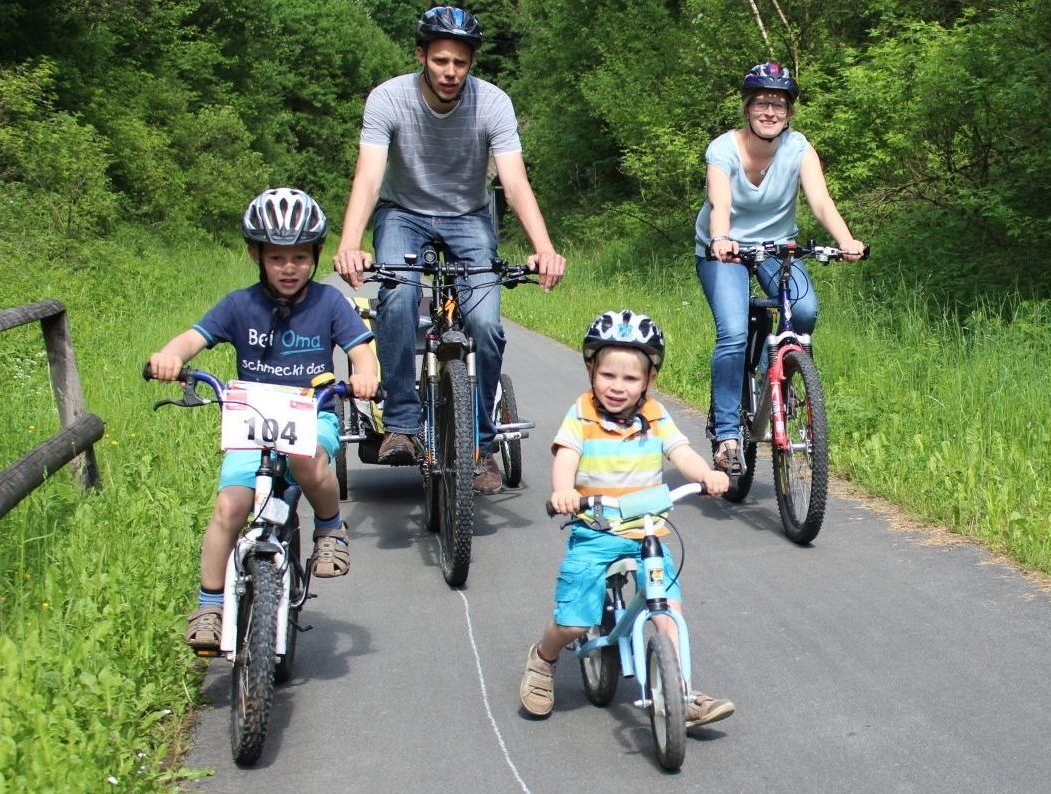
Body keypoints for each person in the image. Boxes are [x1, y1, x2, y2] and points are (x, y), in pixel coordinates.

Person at [333, 5, 566, 494]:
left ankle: (479, 447)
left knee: (484, 321)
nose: (450, 72)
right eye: (440, 61)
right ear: (421, 55)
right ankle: (401, 423)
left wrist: (544, 248)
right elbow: (370, 176)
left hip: (468, 217)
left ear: (471, 63)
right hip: (402, 212)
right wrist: (350, 243)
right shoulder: (388, 100)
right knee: (397, 297)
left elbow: (514, 182)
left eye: (460, 63)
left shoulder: (493, 105)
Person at [147, 188, 379, 653]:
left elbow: (361, 351)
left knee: (309, 463)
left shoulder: (330, 304)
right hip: (251, 421)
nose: (289, 267)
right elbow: (192, 339)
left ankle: (331, 529)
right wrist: (169, 357)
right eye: (276, 258)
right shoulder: (238, 305)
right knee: (229, 508)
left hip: (310, 414)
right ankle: (210, 605)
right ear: (256, 255)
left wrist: (365, 375)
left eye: (299, 256)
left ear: (315, 255)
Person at [519, 310, 735, 729]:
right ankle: (543, 659)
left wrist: (706, 474)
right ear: (591, 371)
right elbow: (567, 455)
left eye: (631, 379)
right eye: (608, 376)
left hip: (647, 529)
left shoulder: (654, 413)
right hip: (596, 529)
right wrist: (563, 491)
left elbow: (680, 452)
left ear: (649, 380)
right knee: (574, 620)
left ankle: (684, 695)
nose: (618, 387)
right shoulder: (582, 413)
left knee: (668, 609)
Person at [696, 62, 866, 474]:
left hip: (776, 248)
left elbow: (820, 201)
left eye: (779, 104)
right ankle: (727, 435)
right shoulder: (723, 149)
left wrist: (845, 240)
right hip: (725, 250)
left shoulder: (799, 148)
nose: (770, 111)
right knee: (734, 334)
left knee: (803, 312)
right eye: (762, 103)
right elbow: (721, 203)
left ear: (788, 113)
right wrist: (720, 238)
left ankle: (779, 372)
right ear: (747, 108)